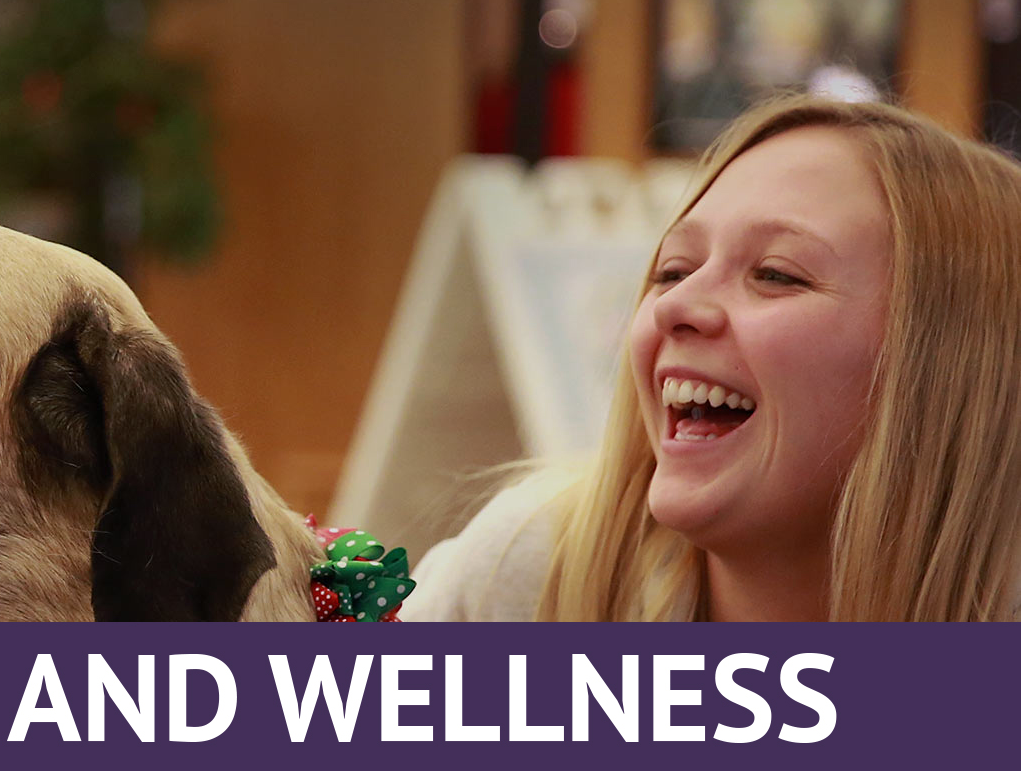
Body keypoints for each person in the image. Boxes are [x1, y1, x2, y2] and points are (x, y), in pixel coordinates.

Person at [407, 96, 1021, 621]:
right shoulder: (534, 572)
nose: (677, 304)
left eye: (776, 274)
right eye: (672, 269)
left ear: (947, 366)